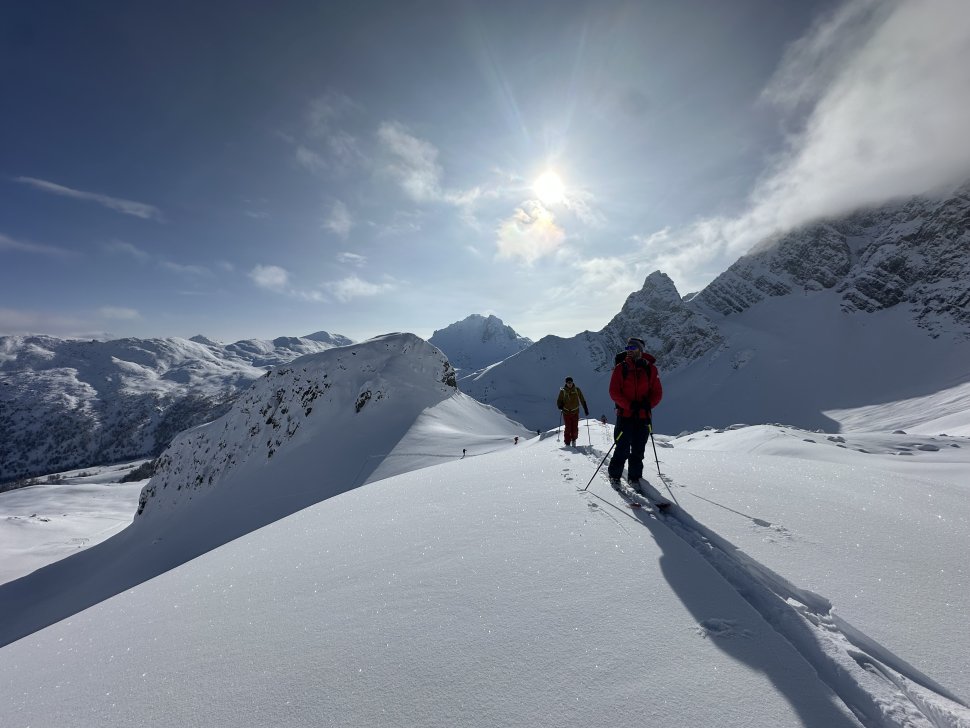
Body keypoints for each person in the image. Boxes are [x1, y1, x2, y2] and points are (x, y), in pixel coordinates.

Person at [607, 337, 663, 492]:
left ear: (640, 350)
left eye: (633, 348)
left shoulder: (650, 369)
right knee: (622, 448)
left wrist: (647, 404)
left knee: (638, 450)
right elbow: (614, 392)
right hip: (625, 415)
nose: (629, 351)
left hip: (644, 416)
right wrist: (630, 405)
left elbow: (657, 392)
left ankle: (635, 477)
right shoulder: (621, 368)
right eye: (627, 348)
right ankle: (615, 475)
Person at [557, 376, 589, 447]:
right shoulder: (563, 391)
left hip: (575, 412)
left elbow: (582, 399)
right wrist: (560, 406)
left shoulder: (577, 390)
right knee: (568, 427)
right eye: (568, 383)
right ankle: (567, 443)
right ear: (566, 383)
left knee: (575, 427)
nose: (569, 384)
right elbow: (559, 400)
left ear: (572, 382)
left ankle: (574, 440)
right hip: (566, 412)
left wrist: (585, 409)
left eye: (570, 382)